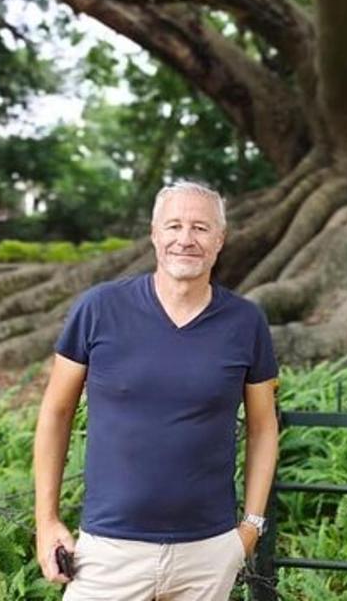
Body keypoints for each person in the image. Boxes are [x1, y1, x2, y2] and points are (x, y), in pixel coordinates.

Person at [33, 181, 279, 600]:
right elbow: (55, 414)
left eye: (201, 228)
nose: (186, 239)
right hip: (109, 550)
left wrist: (250, 528)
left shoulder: (245, 322)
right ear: (154, 234)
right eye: (174, 226)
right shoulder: (99, 309)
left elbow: (263, 426)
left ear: (219, 240)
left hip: (208, 553)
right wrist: (47, 520)